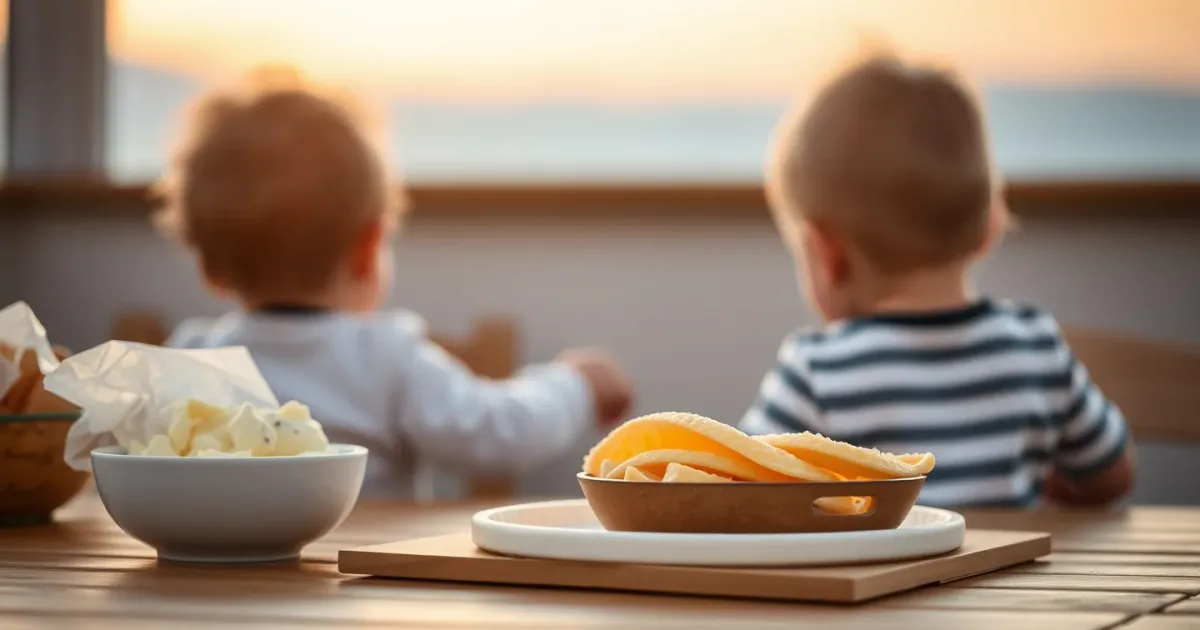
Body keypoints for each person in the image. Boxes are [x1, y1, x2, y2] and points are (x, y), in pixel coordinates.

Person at [157, 70, 633, 498]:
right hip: (365, 585)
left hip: (221, 588)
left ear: (209, 266)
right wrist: (577, 382)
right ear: (367, 249)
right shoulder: (386, 356)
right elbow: (500, 431)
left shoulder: (192, 357)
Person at [739, 53, 1134, 507]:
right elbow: (1114, 474)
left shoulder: (817, 371)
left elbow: (745, 491)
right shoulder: (1036, 345)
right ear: (990, 227)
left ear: (829, 255)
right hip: (1013, 579)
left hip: (879, 580)